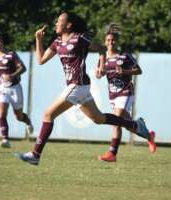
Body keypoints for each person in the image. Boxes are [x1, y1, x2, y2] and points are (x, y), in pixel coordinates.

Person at [17, 12, 156, 166]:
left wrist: (102, 64)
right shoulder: (57, 42)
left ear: (68, 25)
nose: (56, 24)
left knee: (48, 114)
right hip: (79, 86)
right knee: (99, 119)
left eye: (59, 21)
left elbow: (101, 48)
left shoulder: (79, 38)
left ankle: (35, 154)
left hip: (77, 84)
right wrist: (39, 40)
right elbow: (41, 59)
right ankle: (134, 125)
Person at [96, 24, 156, 162]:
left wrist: (125, 72)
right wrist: (99, 73)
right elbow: (98, 73)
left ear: (117, 41)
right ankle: (148, 135)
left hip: (126, 92)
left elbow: (139, 71)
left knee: (116, 122)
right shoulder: (103, 58)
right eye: (108, 40)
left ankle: (112, 153)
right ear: (105, 42)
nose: (111, 42)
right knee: (127, 124)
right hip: (112, 95)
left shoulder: (125, 56)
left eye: (113, 40)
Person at [0, 34, 34, 148]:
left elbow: (23, 68)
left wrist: (12, 75)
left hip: (15, 88)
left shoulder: (11, 55)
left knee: (18, 117)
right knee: (2, 113)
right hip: (1, 88)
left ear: (3, 42)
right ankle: (5, 139)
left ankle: (27, 122)